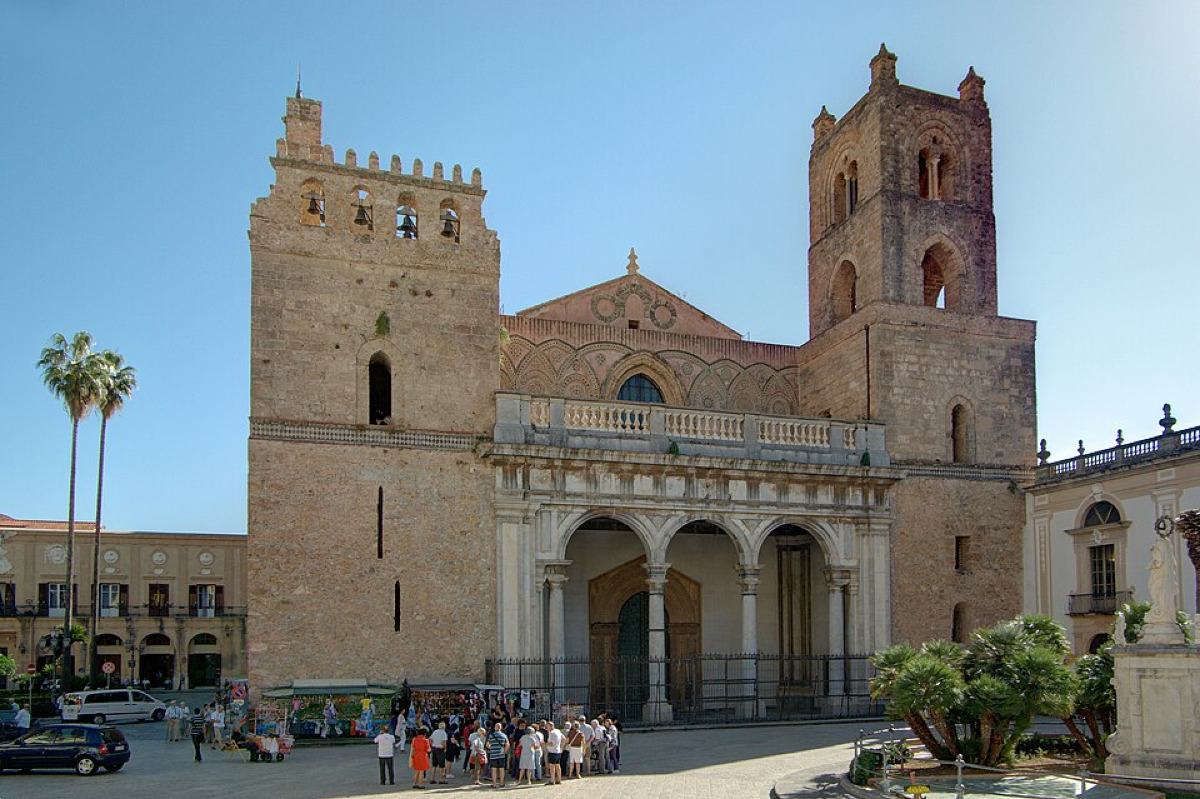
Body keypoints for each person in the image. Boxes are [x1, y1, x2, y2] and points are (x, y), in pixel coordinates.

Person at [486, 722, 509, 788]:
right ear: (501, 728)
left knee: (494, 769)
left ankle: (494, 783)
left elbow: (487, 745)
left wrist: (491, 748)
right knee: (501, 769)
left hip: (493, 754)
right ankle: (501, 783)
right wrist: (504, 751)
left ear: (495, 727)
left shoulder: (491, 735)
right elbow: (507, 744)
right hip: (501, 755)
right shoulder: (504, 735)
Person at [544, 720, 564, 784]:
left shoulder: (552, 733)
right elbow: (564, 739)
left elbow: (551, 743)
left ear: (550, 726)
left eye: (547, 726)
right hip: (558, 751)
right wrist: (561, 747)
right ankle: (559, 779)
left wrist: (545, 744)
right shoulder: (558, 731)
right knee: (558, 766)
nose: (546, 728)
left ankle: (552, 780)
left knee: (552, 766)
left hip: (552, 751)